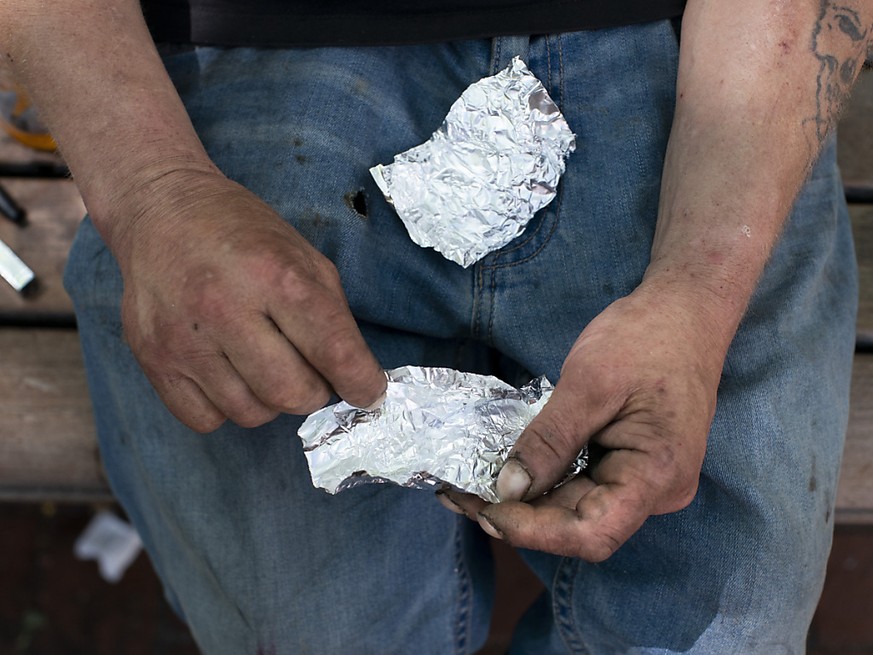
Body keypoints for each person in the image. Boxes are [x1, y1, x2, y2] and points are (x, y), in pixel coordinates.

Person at [2, 0, 869, 652]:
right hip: (241, 57)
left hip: (695, 61)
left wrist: (697, 288)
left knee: (720, 629)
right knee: (309, 628)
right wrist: (154, 190)